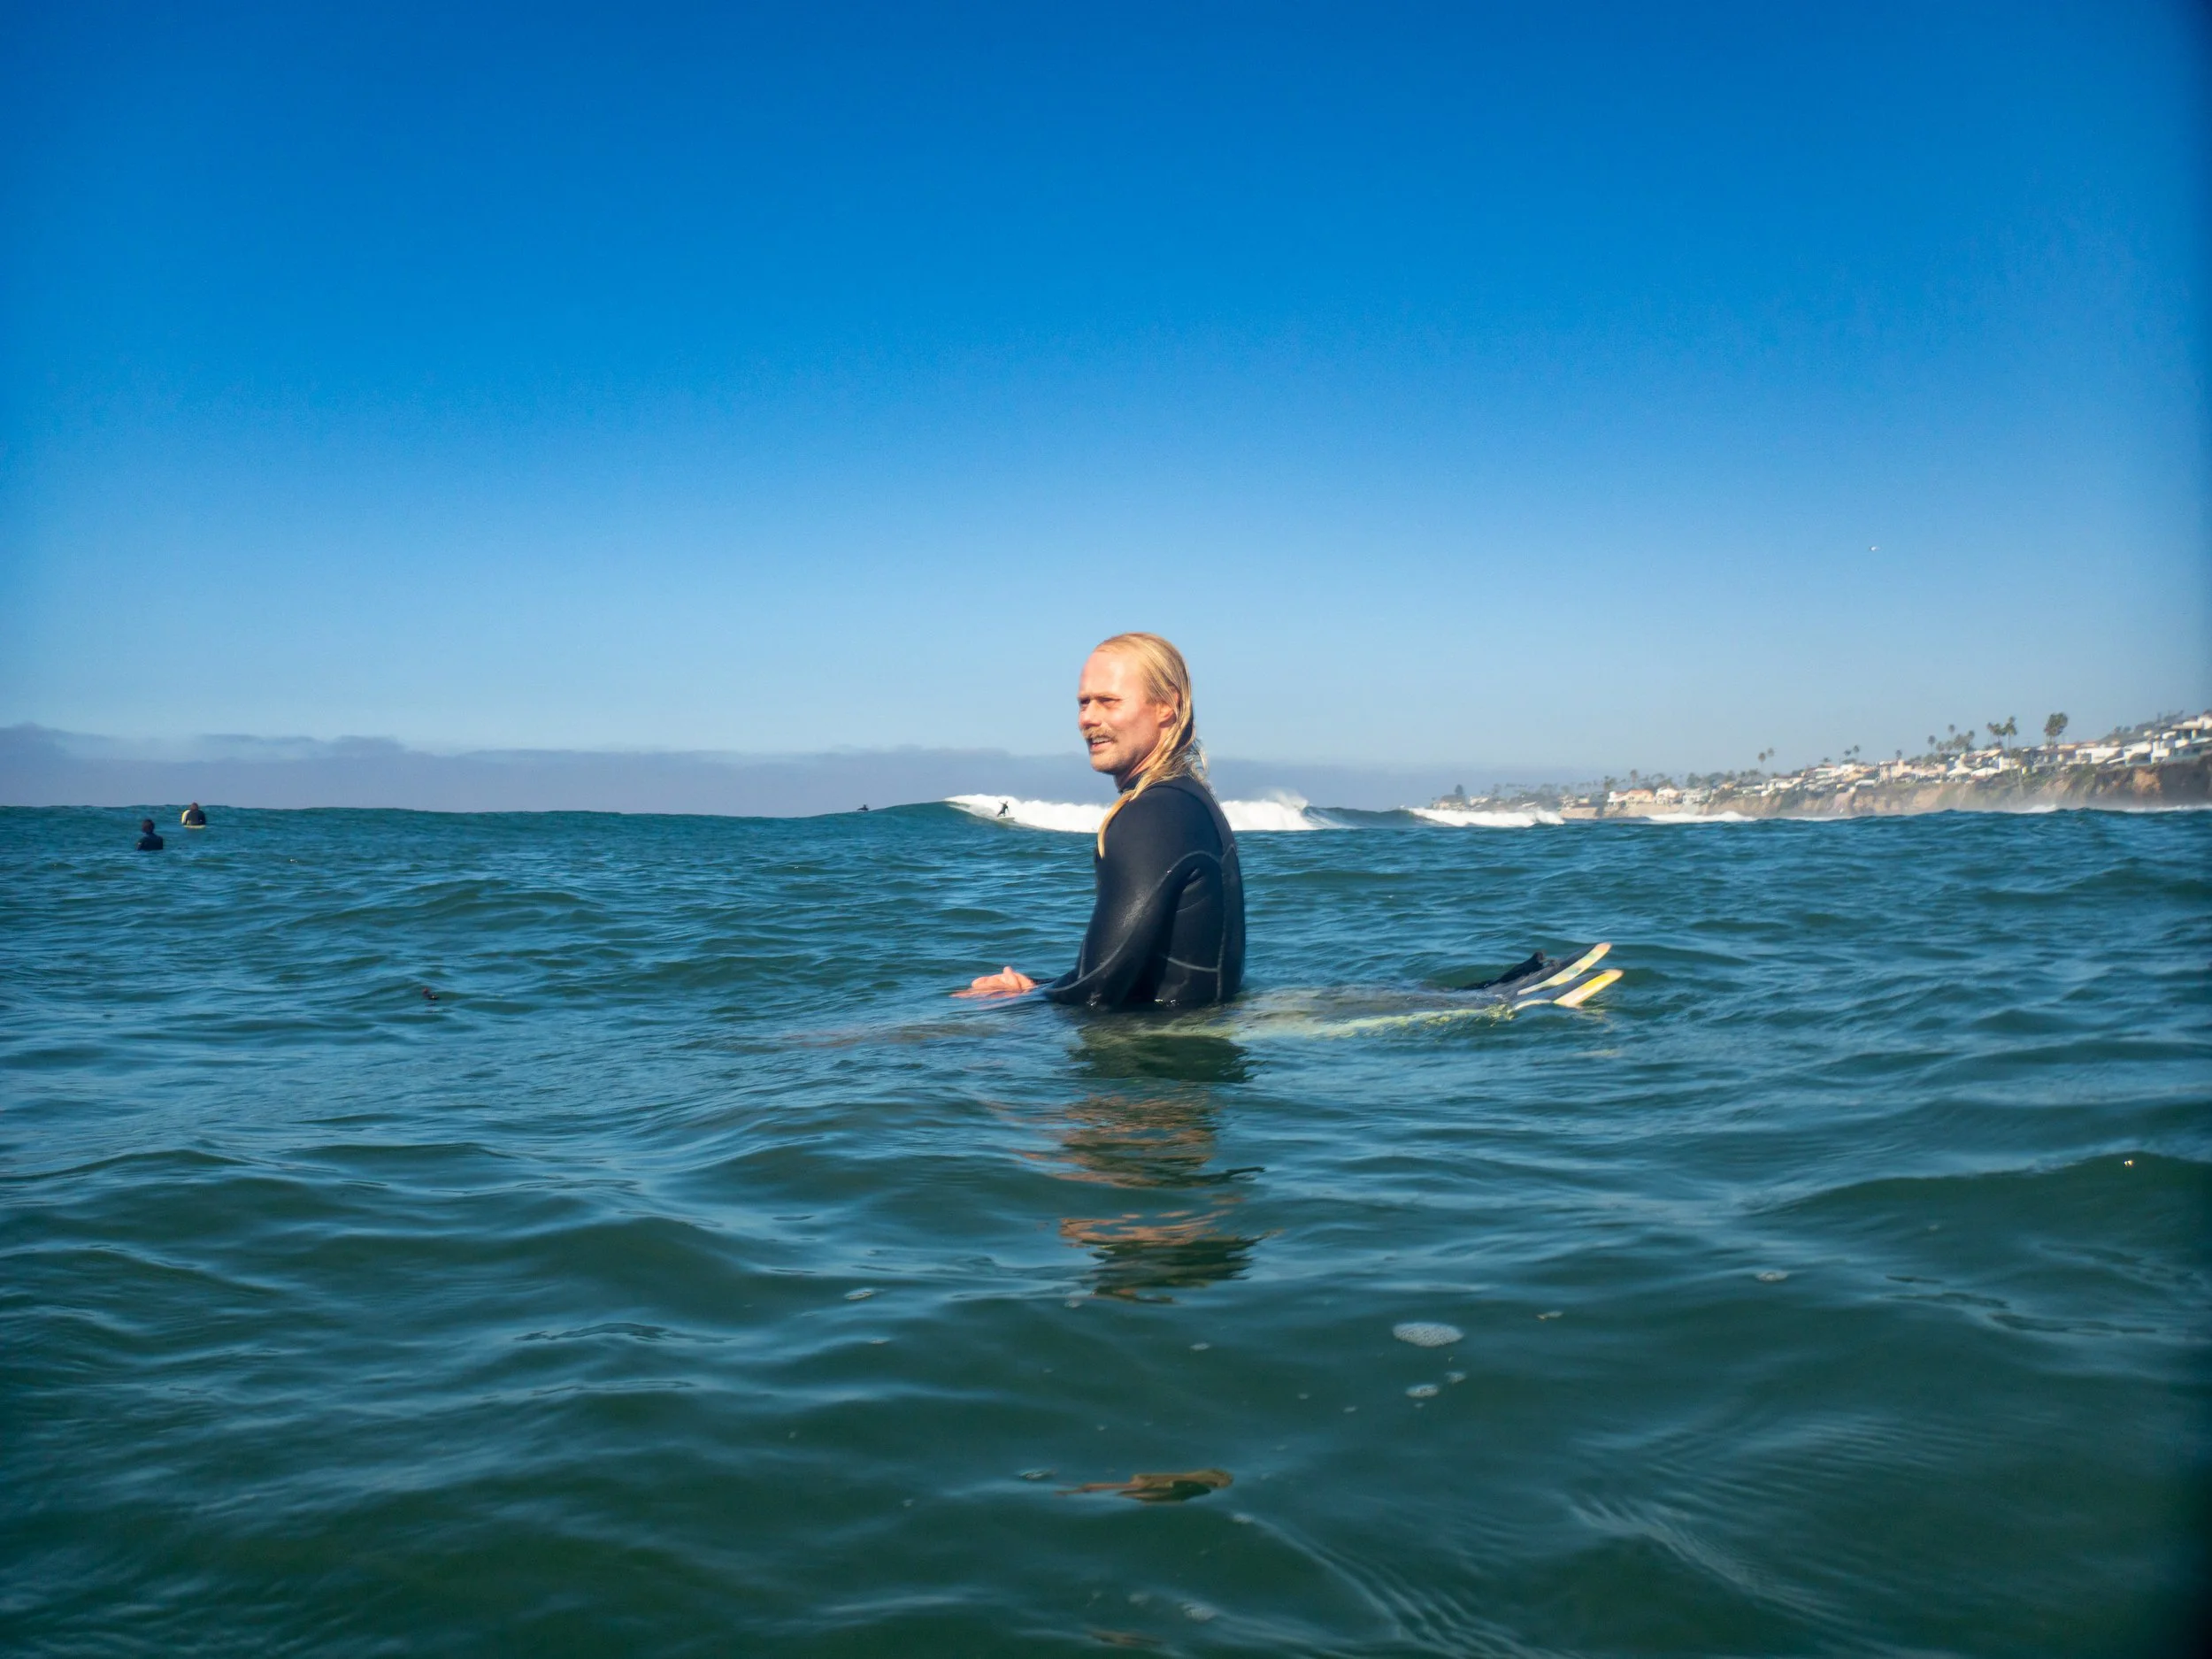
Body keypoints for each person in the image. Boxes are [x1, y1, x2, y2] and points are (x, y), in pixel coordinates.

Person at [959, 633, 1244, 1009]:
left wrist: (1009, 1010)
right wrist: (1033, 987)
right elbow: (1122, 972)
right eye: (1083, 703)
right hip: (1192, 1048)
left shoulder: (1152, 814)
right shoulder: (1187, 799)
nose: (1088, 719)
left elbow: (1099, 987)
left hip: (1154, 1060)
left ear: (1167, 705)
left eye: (1108, 701)